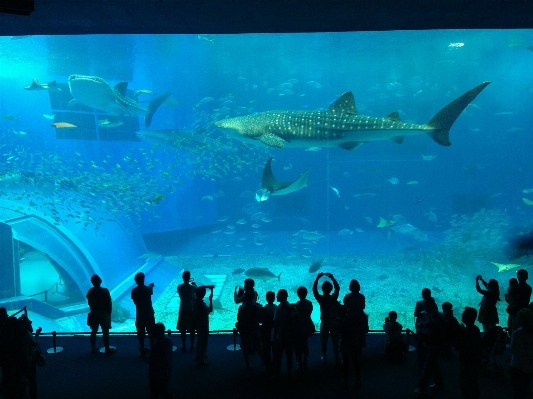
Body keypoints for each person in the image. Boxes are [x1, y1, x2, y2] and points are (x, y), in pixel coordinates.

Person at [414, 297, 445, 395]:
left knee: (427, 366)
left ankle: (421, 387)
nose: (424, 305)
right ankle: (439, 384)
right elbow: (419, 324)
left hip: (434, 344)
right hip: (426, 343)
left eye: (425, 304)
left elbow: (441, 331)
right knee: (434, 365)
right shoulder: (424, 314)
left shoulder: (438, 316)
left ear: (431, 305)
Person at [312, 272, 341, 365]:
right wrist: (332, 277)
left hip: (324, 322)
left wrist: (317, 278)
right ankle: (337, 357)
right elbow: (337, 288)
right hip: (333, 322)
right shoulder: (333, 298)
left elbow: (314, 290)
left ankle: (324, 356)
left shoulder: (321, 299)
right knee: (335, 340)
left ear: (322, 289)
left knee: (323, 340)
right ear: (331, 289)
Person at [455, 307, 482, 399]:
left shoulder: (465, 331)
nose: (462, 315)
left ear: (468, 317)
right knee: (474, 381)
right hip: (474, 360)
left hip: (466, 360)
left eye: (464, 314)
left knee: (464, 382)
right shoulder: (476, 329)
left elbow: (458, 347)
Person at [340, 300, 368, 387]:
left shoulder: (342, 320)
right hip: (354, 342)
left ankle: (345, 379)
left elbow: (339, 331)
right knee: (355, 360)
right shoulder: (354, 319)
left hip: (345, 342)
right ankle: (358, 378)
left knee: (345, 361)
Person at [86, 274, 115, 354]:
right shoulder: (105, 291)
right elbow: (109, 304)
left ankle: (93, 348)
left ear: (92, 282)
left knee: (93, 331)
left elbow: (89, 303)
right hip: (103, 314)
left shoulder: (90, 291)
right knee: (105, 332)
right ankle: (107, 348)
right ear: (100, 281)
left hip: (94, 313)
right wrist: (109, 313)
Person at [272, 289, 296, 381]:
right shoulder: (292, 307)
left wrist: (274, 337)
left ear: (281, 297)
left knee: (278, 356)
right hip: (290, 335)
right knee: (289, 356)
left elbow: (276, 324)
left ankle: (277, 375)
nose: (276, 297)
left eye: (278, 295)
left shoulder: (278, 309)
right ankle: (290, 374)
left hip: (281, 336)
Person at [509, 308, 533, 399]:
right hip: (529, 365)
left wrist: (507, 343)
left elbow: (513, 349)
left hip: (517, 365)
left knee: (517, 390)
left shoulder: (517, 333)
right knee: (525, 387)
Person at [131, 272, 156, 356]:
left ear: (136, 281)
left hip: (140, 314)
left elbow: (134, 301)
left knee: (140, 333)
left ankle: (142, 348)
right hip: (149, 313)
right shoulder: (148, 289)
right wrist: (151, 286)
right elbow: (150, 289)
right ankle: (153, 349)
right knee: (151, 332)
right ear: (143, 279)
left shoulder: (134, 291)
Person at [236, 290, 263, 368]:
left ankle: (247, 363)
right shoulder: (257, 308)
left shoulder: (241, 308)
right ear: (253, 297)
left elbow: (238, 318)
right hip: (254, 329)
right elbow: (260, 319)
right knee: (258, 346)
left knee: (245, 346)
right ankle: (264, 360)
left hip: (245, 330)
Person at [149, 322, 173, 399]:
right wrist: (169, 335)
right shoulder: (168, 341)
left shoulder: (156, 345)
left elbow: (152, 361)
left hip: (156, 373)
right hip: (166, 371)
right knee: (163, 390)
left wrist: (144, 356)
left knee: (155, 391)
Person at [294, 286, 314, 370]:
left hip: (299, 327)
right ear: (306, 294)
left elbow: (296, 315)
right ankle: (305, 361)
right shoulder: (309, 303)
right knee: (305, 343)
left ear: (297, 294)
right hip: (308, 325)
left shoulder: (296, 305)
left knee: (298, 345)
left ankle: (299, 362)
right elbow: (309, 312)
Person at [414, 288, 435, 366]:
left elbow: (415, 314)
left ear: (422, 294)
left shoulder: (419, 303)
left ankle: (420, 359)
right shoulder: (433, 303)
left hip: (421, 325)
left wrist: (422, 314)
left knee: (420, 342)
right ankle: (429, 359)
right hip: (430, 326)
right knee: (429, 342)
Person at [176, 270, 197, 351]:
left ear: (182, 277)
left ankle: (183, 344)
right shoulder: (192, 287)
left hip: (182, 309)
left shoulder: (179, 287)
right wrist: (195, 284)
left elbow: (179, 292)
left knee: (183, 328)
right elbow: (198, 292)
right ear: (189, 278)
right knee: (192, 328)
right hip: (190, 309)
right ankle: (192, 345)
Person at [193, 285, 213, 366]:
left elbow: (198, 289)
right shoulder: (201, 305)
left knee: (199, 340)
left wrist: (208, 286)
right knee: (204, 341)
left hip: (197, 323)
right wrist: (210, 299)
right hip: (203, 324)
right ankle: (201, 360)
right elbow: (210, 310)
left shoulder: (194, 300)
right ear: (203, 295)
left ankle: (197, 356)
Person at [260, 291, 277, 371]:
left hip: (265, 330)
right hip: (274, 330)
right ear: (274, 298)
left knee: (266, 347)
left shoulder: (263, 309)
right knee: (274, 347)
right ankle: (275, 362)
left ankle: (267, 364)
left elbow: (260, 320)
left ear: (266, 298)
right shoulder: (277, 308)